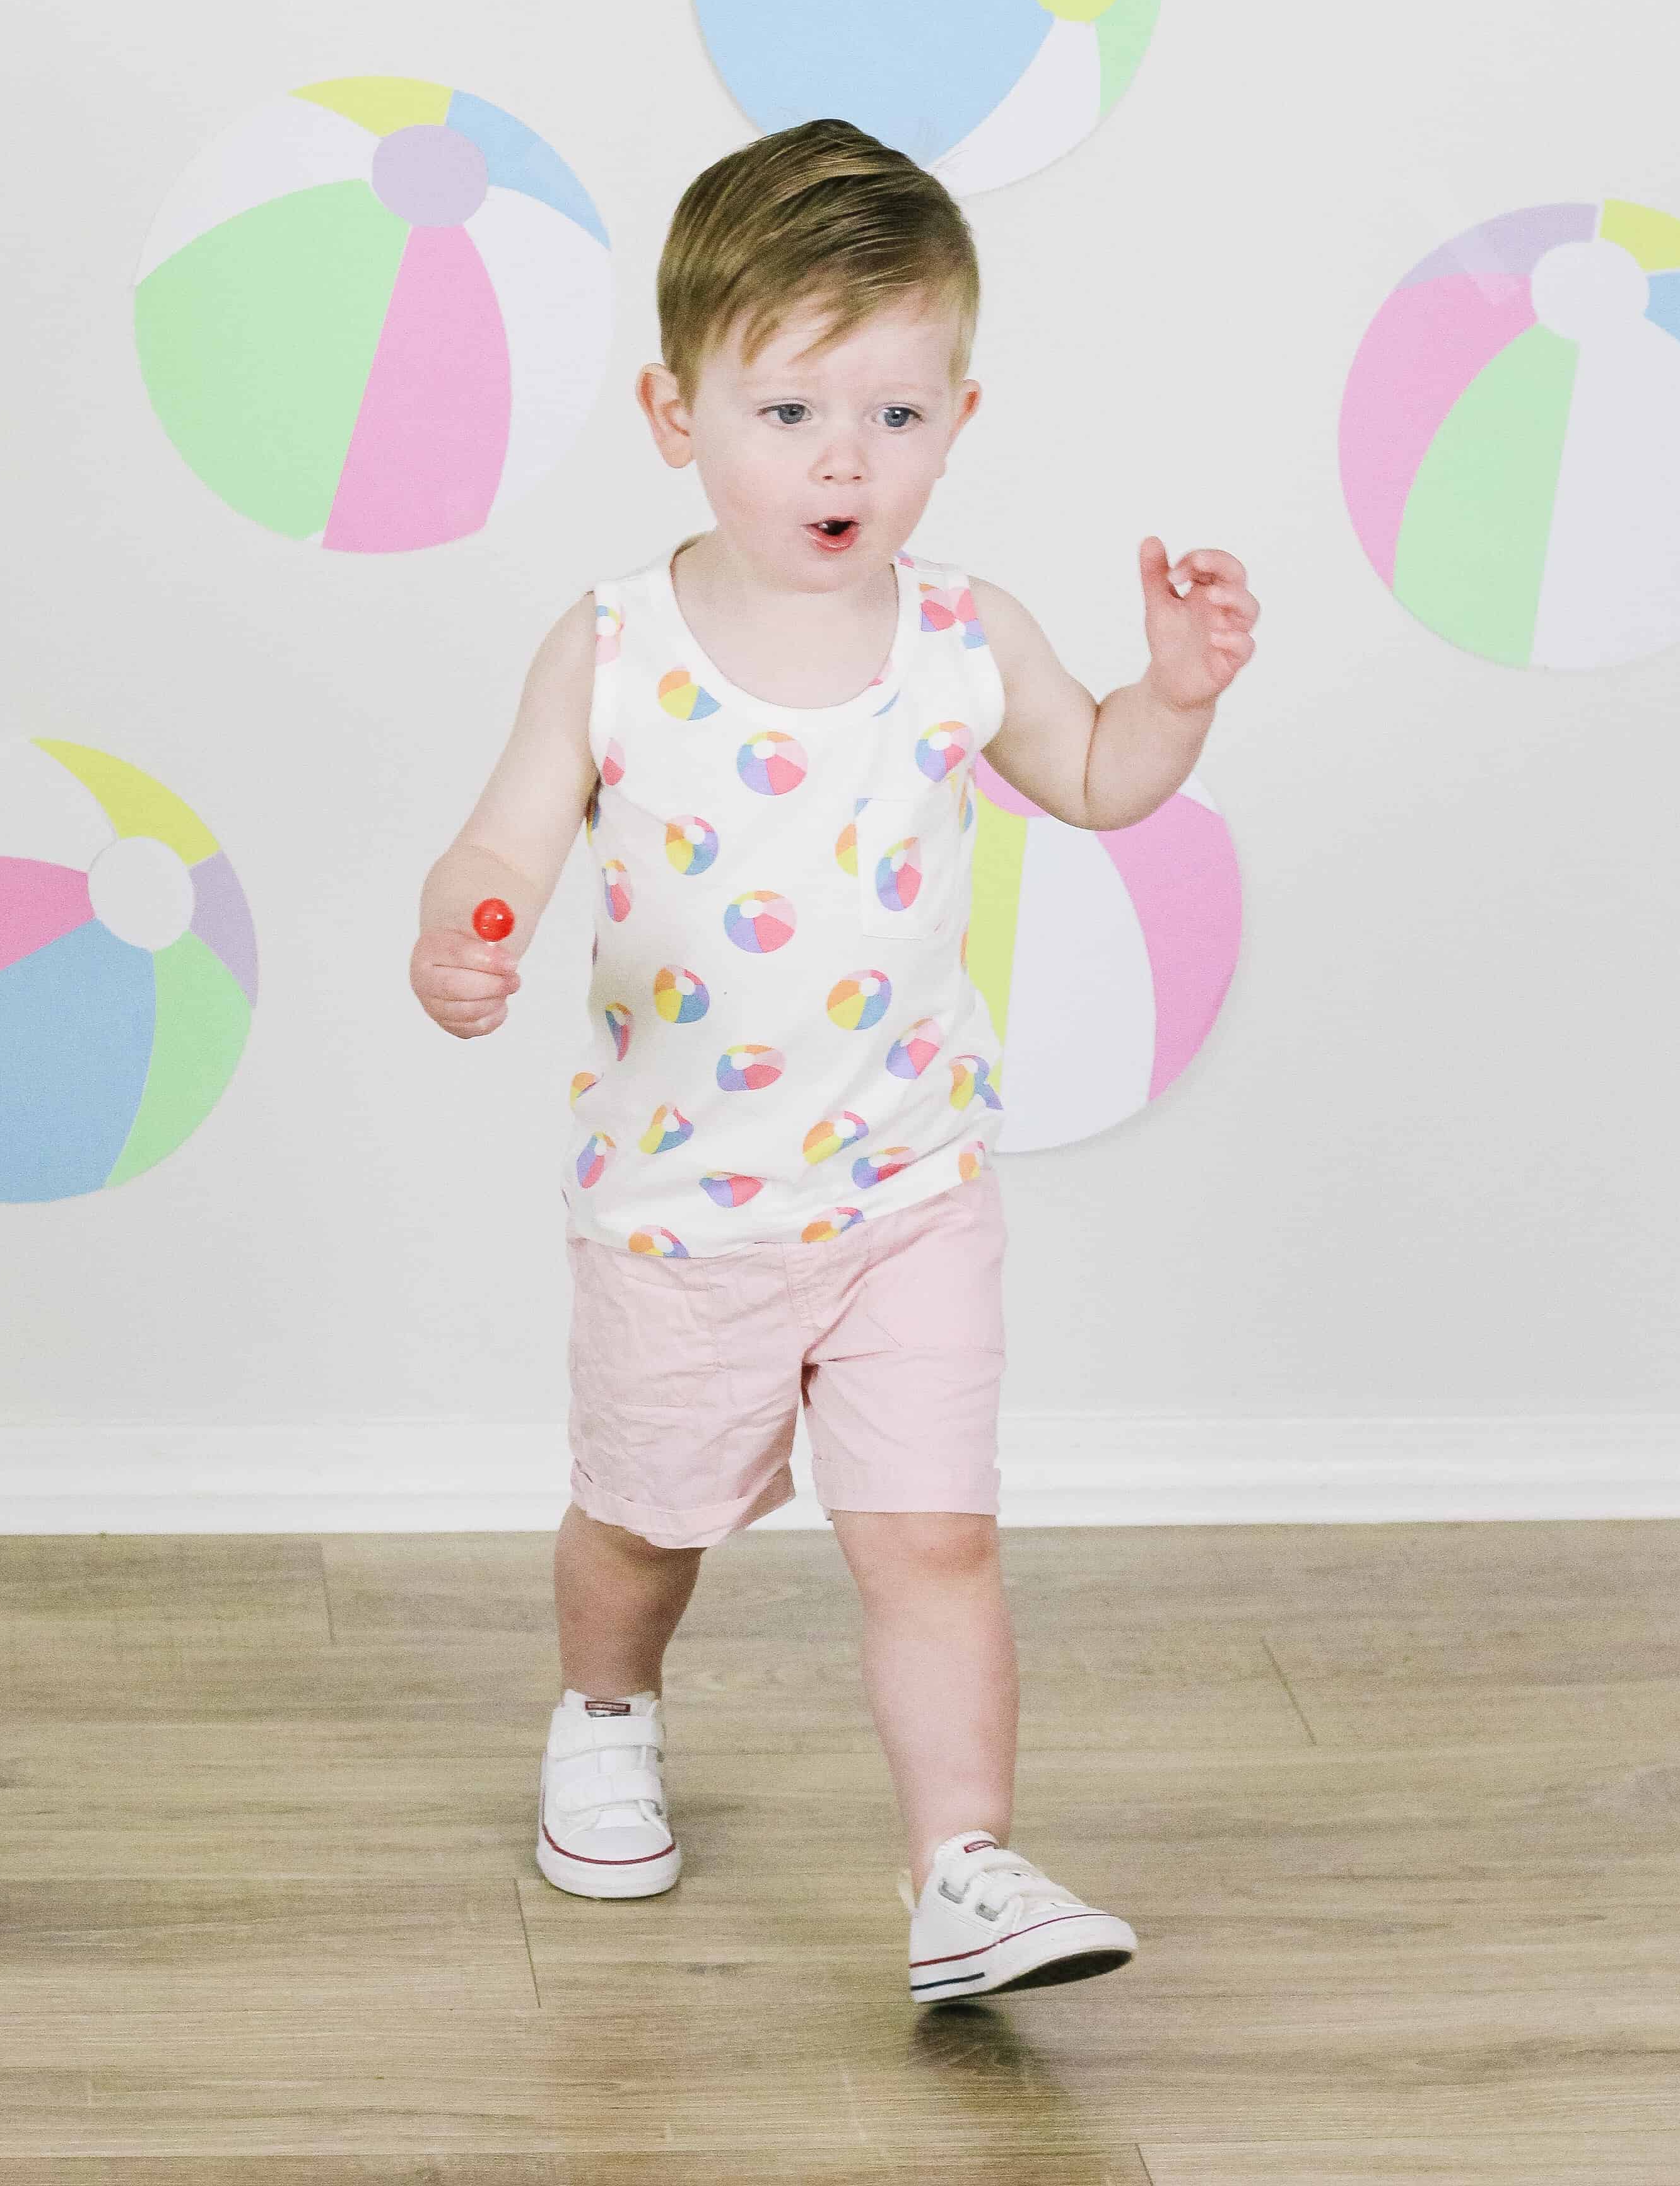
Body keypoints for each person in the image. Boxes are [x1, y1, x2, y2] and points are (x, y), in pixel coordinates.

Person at [410, 118, 1257, 2001]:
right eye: (790, 411)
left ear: (961, 414)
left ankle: (965, 1866)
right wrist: (470, 930)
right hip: (682, 1210)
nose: (842, 460)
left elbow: (1100, 776)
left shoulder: (965, 635)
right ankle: (608, 1708)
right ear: (673, 408)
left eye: (894, 414)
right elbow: (507, 840)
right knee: (649, 1521)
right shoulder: (618, 647)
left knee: (935, 1535)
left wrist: (1176, 700)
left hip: (907, 1190)